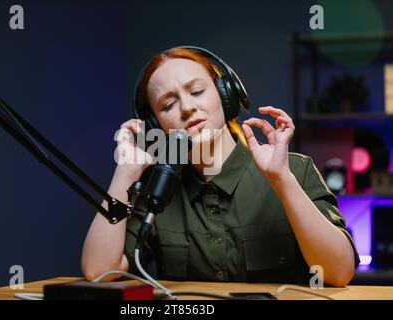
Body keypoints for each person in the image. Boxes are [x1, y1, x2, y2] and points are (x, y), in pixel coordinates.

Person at [81, 46, 359, 286]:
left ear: (226, 95)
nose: (187, 108)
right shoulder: (156, 190)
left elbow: (338, 272)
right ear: (155, 126)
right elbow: (99, 272)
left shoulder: (293, 170)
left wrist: (281, 180)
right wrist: (126, 171)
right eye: (168, 105)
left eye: (197, 91)